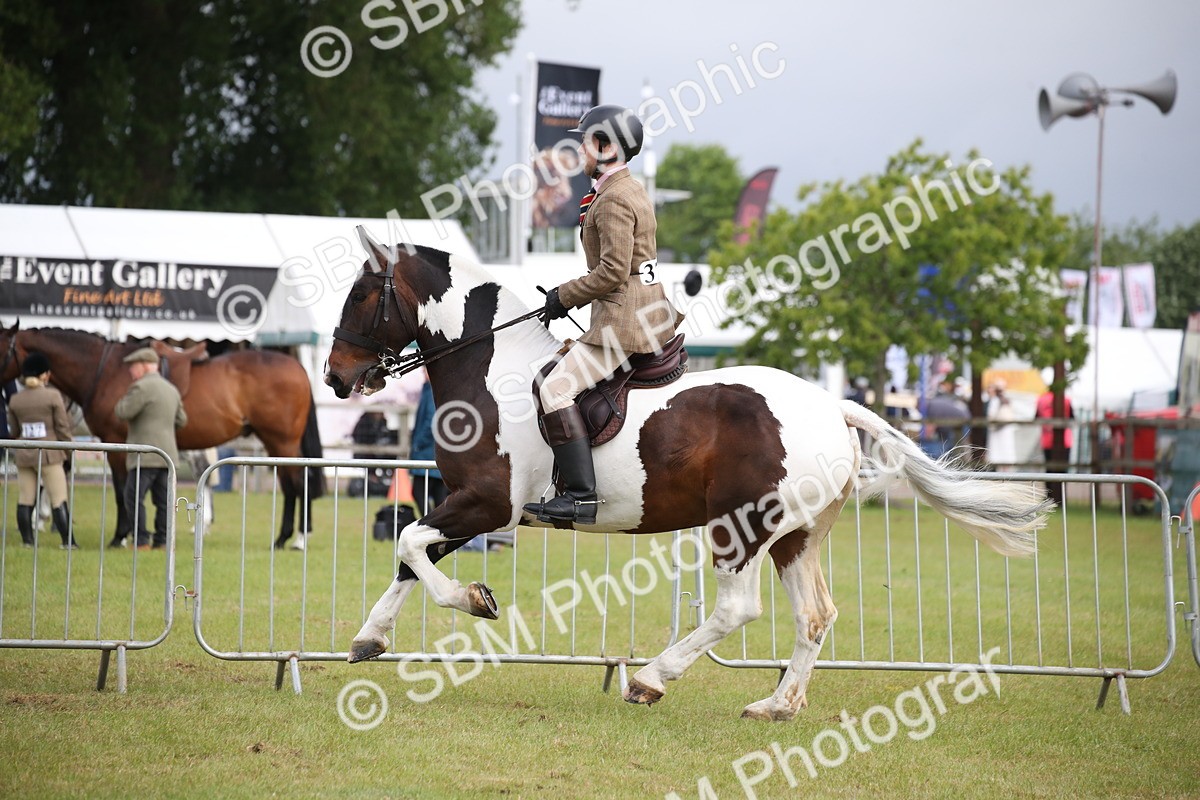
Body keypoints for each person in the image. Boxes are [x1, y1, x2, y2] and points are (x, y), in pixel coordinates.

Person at [523, 104, 685, 525]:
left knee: (554, 388)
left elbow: (613, 271)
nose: (580, 148)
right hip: (643, 310)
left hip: (625, 321)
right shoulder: (628, 189)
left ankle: (580, 496)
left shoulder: (614, 198)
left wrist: (564, 297)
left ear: (606, 146)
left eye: (586, 140)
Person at [114, 347, 188, 550]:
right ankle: (163, 541)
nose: (130, 371)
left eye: (133, 367)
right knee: (164, 502)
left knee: (134, 498)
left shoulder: (140, 388)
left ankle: (141, 541)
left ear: (145, 366)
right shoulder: (171, 389)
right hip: (167, 456)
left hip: (144, 456)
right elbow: (182, 420)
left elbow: (122, 411)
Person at [6, 353, 77, 548]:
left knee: (25, 498)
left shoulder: (15, 400)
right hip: (50, 454)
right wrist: (69, 452)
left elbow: (15, 430)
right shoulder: (53, 396)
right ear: (44, 375)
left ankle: (27, 541)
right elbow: (63, 427)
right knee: (58, 498)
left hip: (25, 454)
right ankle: (67, 541)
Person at [408, 375, 447, 516]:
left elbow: (432, 419)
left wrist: (418, 443)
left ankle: (430, 528)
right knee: (439, 496)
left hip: (427, 451)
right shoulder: (436, 387)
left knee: (419, 492)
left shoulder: (431, 389)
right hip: (438, 450)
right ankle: (440, 531)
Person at [1036, 367, 1073, 504]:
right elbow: (1071, 418)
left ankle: (1050, 497)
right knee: (1063, 469)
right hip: (1065, 440)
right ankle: (1061, 497)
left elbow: (1036, 417)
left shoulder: (1041, 399)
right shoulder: (1066, 399)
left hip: (1046, 439)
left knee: (1049, 468)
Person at [985, 380, 1018, 471]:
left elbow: (991, 415)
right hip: (1005, 431)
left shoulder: (995, 400)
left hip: (998, 431)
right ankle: (1005, 474)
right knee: (1005, 454)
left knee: (997, 454)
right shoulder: (1007, 400)